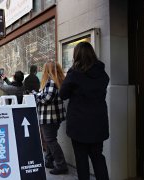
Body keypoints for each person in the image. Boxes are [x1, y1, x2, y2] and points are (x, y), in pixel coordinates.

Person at [59, 42, 110, 180]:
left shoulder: (74, 73)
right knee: (98, 157)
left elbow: (63, 94)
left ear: (77, 55)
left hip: (79, 124)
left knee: (81, 160)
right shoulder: (102, 73)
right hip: (98, 122)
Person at [32, 61, 68, 175]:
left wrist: (35, 94)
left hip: (49, 117)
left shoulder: (51, 81)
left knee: (50, 140)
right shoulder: (57, 81)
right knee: (50, 139)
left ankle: (61, 165)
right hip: (54, 117)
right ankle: (48, 161)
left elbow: (47, 99)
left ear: (47, 70)